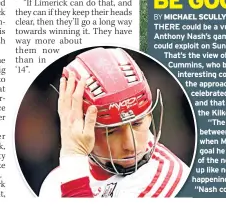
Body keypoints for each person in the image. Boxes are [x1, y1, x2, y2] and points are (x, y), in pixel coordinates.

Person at [39, 48, 189, 198]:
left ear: (149, 115)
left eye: (137, 123)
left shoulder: (167, 179)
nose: (131, 145)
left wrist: (73, 163)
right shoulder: (53, 184)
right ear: (79, 127)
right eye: (111, 131)